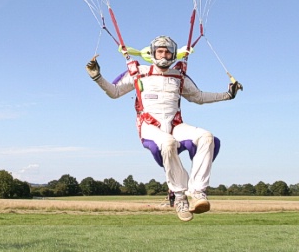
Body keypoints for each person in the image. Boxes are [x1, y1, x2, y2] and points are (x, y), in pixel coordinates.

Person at [86, 35, 241, 222]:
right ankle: (180, 196)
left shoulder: (179, 75)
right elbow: (115, 92)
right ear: (152, 53)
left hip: (175, 124)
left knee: (206, 137)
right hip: (149, 125)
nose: (164, 55)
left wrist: (227, 95)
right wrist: (97, 76)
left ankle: (198, 192)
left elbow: (198, 97)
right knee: (168, 143)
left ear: (174, 54)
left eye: (168, 51)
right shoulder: (139, 72)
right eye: (160, 50)